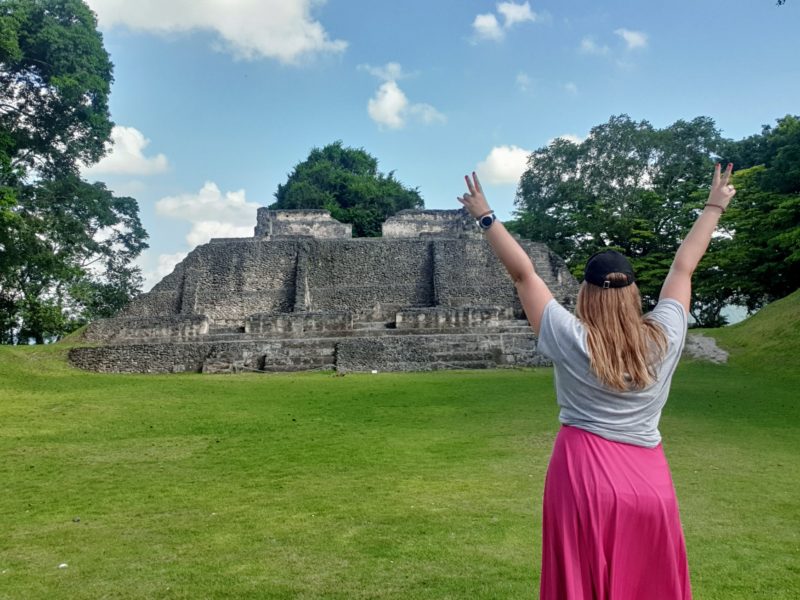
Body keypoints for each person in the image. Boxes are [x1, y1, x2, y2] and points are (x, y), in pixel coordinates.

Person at [458, 164, 736, 600]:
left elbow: (524, 275)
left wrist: (486, 217)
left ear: (585, 293)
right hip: (649, 486)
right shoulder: (664, 336)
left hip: (583, 479)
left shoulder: (571, 337)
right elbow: (683, 270)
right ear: (634, 294)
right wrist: (714, 206)